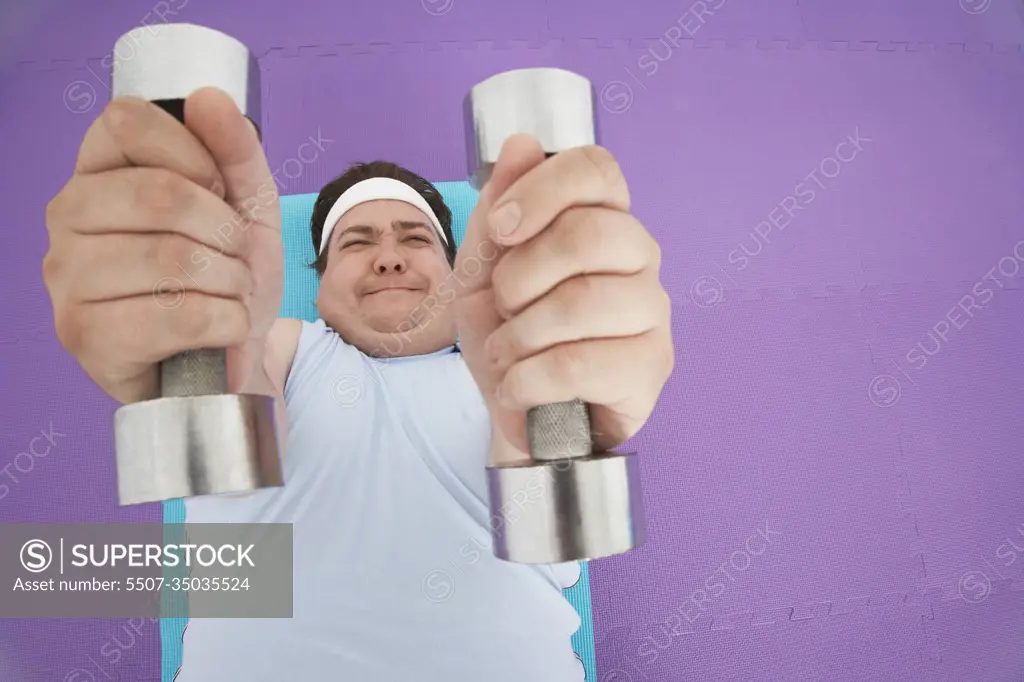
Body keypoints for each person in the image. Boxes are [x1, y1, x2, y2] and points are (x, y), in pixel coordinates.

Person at [43, 87, 675, 681]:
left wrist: (563, 360)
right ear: (316, 283)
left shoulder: (513, 376)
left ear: (460, 275)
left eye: (416, 239)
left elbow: (548, 525)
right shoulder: (288, 350)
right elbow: (237, 372)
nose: (390, 257)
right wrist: (191, 315)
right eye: (357, 242)